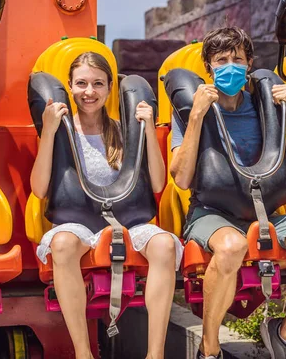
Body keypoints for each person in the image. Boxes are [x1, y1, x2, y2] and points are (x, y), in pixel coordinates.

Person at [169, 27, 286, 359]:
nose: (230, 66)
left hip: (266, 212)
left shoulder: (265, 108)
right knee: (232, 247)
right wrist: (197, 117)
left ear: (249, 63)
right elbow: (182, 178)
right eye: (221, 60)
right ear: (209, 67)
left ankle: (283, 333)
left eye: (238, 59)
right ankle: (209, 348)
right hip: (212, 213)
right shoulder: (193, 108)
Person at [31, 52, 183, 359]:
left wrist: (148, 130)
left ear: (110, 88)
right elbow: (39, 188)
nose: (90, 92)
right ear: (70, 87)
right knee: (61, 244)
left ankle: (155, 353)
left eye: (98, 84)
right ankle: (83, 353)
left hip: (126, 220)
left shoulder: (122, 131)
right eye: (82, 84)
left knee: (165, 245)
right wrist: (48, 131)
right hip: (79, 222)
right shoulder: (62, 131)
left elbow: (156, 184)